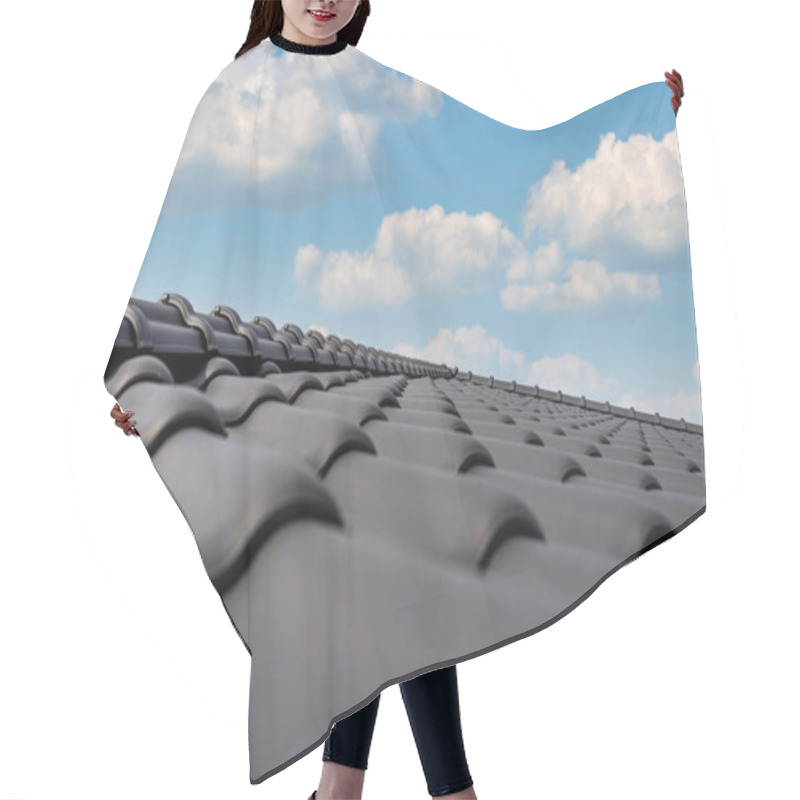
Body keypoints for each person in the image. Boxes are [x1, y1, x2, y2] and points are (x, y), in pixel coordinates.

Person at [109, 2, 686, 798]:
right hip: (290, 390)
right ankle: (433, 792)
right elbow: (195, 244)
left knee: (396, 574)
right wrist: (148, 375)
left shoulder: (378, 89)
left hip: (383, 380)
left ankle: (348, 789)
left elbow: (491, 164)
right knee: (382, 581)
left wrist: (638, 130)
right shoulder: (234, 94)